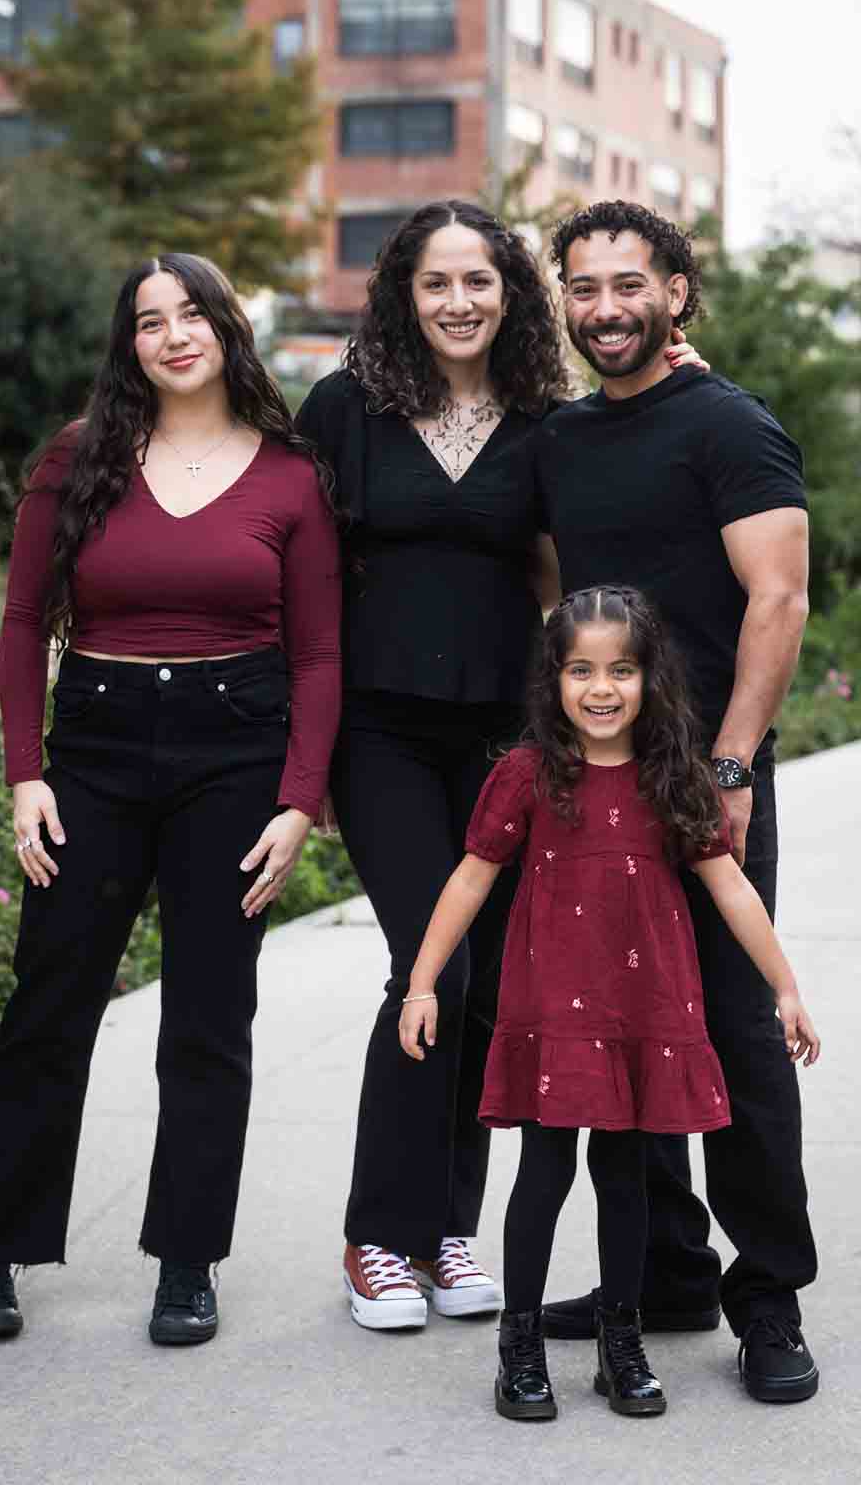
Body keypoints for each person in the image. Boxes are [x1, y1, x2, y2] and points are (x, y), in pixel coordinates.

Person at [296, 198, 707, 1331]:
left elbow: (570, 561)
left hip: (507, 738)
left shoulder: (546, 422)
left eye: (480, 280)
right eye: (436, 283)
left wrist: (687, 378)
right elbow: (300, 577)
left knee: (493, 981)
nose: (459, 301)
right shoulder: (345, 409)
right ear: (403, 295)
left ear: (510, 294)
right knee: (431, 966)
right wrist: (305, 755)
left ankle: (444, 1230)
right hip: (378, 730)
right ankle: (377, 1235)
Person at [0, 253, 341, 1348]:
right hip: (96, 749)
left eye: (191, 314)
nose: (172, 334)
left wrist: (297, 800)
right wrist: (25, 771)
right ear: (128, 342)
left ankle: (187, 1261)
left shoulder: (289, 477)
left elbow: (318, 653)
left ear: (226, 327)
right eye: (147, 319)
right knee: (48, 1000)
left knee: (210, 1018)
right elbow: (25, 622)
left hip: (236, 752)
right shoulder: (76, 460)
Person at [399, 586, 820, 1424]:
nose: (601, 688)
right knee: (544, 1174)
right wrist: (421, 982)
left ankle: (619, 1344)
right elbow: (471, 877)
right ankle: (518, 1346)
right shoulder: (525, 774)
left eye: (621, 670)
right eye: (581, 669)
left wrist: (784, 986)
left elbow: (729, 886)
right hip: (554, 1012)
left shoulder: (672, 774)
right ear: (552, 679)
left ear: (648, 678)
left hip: (642, 1012)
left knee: (625, 1179)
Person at [534, 200, 821, 1405]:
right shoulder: (560, 439)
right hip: (596, 775)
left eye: (628, 284)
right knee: (623, 1025)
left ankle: (767, 1299)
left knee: (740, 1036)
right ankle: (664, 1268)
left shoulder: (730, 424)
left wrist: (734, 764)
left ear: (677, 291)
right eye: (584, 287)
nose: (606, 307)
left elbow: (779, 600)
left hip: (703, 774)